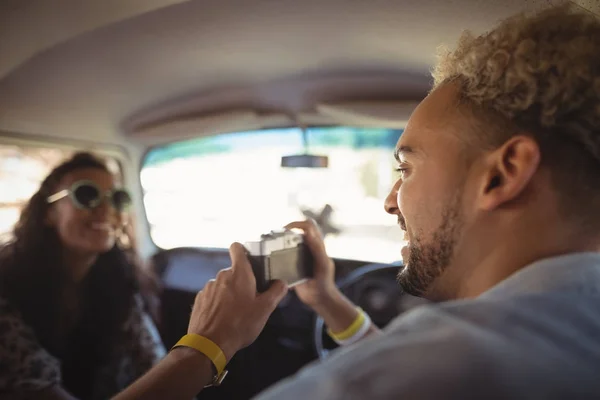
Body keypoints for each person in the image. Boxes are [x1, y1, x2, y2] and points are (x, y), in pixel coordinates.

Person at [115, 3, 600, 399]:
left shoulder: (415, 371)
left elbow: (402, 369)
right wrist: (326, 300)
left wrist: (203, 346)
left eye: (406, 168)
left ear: (504, 173)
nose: (391, 202)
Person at [0, 153, 166, 400]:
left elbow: (154, 363)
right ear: (49, 212)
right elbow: (35, 388)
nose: (107, 209)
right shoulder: (7, 285)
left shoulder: (120, 280)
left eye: (117, 199)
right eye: (87, 195)